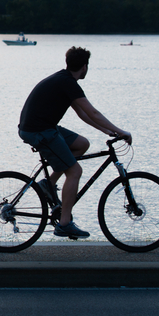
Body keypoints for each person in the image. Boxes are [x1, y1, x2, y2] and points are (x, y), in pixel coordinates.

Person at [17, 46, 131, 238]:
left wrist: (108, 131)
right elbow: (93, 112)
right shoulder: (68, 83)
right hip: (38, 131)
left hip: (43, 127)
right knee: (75, 171)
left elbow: (83, 113)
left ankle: (49, 183)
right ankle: (64, 224)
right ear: (84, 66)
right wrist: (121, 131)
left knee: (82, 144)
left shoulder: (63, 80)